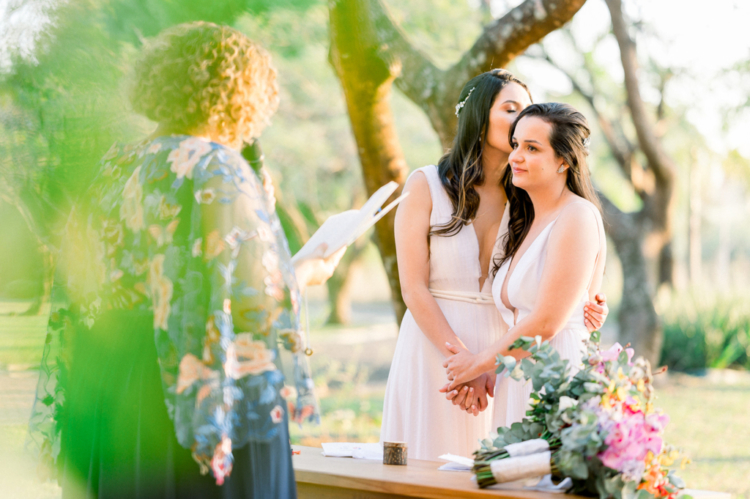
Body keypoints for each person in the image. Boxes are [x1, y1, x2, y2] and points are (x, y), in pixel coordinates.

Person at [28, 22, 344, 499]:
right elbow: (251, 300)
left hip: (116, 384)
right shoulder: (214, 166)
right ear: (242, 95)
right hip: (193, 382)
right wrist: (310, 271)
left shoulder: (115, 166)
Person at [380, 70, 608, 461]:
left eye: (526, 114)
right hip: (437, 344)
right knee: (423, 463)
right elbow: (412, 287)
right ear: (478, 114)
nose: (520, 119)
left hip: (506, 354)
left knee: (489, 469)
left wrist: (588, 304)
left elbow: (555, 289)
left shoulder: (527, 198)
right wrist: (463, 362)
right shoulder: (426, 185)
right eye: (510, 109)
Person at [443, 102, 607, 430]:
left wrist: (476, 363)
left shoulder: (577, 216)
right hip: (518, 376)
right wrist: (493, 368)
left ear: (564, 160)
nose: (515, 156)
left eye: (532, 148)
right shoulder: (526, 221)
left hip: (556, 374)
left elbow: (546, 321)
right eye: (515, 144)